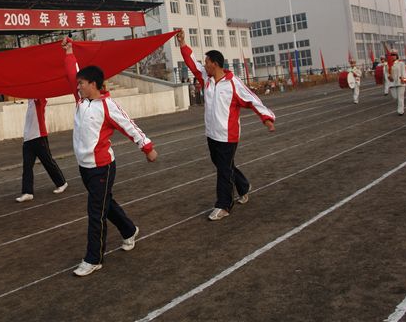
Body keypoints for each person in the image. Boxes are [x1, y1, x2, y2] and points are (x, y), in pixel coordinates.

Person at [62, 38, 157, 277]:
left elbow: (129, 125)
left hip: (102, 168)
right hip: (84, 166)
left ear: (93, 84)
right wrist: (69, 52)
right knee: (106, 203)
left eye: (82, 83)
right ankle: (129, 230)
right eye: (78, 83)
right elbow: (71, 73)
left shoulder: (108, 105)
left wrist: (147, 147)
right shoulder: (81, 100)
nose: (78, 86)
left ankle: (93, 258)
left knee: (96, 212)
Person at [176, 29, 275, 221]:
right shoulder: (206, 78)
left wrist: (267, 118)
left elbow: (253, 100)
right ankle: (243, 186)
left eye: (207, 62)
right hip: (211, 133)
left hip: (228, 136)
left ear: (215, 64)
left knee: (223, 170)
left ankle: (224, 205)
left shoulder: (233, 83)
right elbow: (192, 63)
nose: (204, 65)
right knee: (224, 165)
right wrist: (182, 43)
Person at [15, 98, 68, 202]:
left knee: (48, 162)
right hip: (28, 139)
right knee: (27, 166)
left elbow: (41, 96)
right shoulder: (30, 102)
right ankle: (27, 192)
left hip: (39, 137)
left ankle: (62, 183)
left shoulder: (39, 100)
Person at [387, 50, 406, 116]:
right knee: (395, 97)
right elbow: (387, 73)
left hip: (400, 82)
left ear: (397, 56)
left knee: (400, 97)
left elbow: (404, 72)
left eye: (394, 55)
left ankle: (400, 111)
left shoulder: (401, 63)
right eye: (391, 55)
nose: (393, 56)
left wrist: (404, 80)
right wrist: (389, 77)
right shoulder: (388, 64)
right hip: (392, 83)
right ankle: (400, 108)